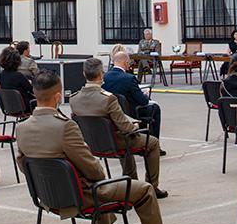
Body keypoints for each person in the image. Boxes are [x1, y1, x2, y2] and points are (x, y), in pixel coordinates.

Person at [17, 70, 191, 224]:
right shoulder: (65, 127)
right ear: (57, 96)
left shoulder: (21, 128)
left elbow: (23, 164)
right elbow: (94, 170)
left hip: (47, 197)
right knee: (143, 190)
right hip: (81, 196)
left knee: (96, 185)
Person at [72, 58, 168, 198]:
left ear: (84, 74)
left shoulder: (74, 99)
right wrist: (134, 125)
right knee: (151, 142)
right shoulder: (108, 99)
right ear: (101, 74)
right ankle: (151, 187)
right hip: (113, 142)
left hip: (91, 144)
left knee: (124, 137)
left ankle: (132, 182)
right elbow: (126, 127)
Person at [104, 51, 163, 139]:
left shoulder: (105, 76)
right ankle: (153, 141)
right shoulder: (129, 78)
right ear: (126, 63)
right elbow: (143, 101)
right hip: (130, 112)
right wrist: (145, 94)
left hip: (112, 111)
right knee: (155, 108)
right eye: (129, 62)